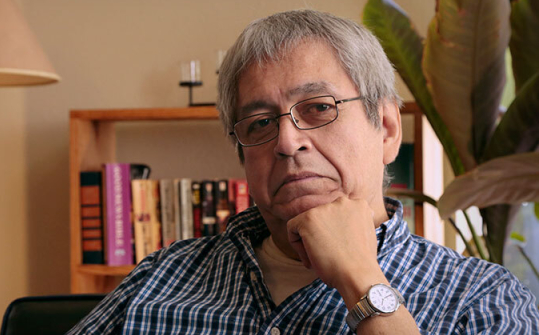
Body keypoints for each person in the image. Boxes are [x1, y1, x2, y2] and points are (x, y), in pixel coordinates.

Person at [68, 9, 539, 334]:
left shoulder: (482, 300)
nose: (288, 141)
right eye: (259, 123)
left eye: (318, 108)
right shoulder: (163, 276)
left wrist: (362, 281)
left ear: (388, 129)